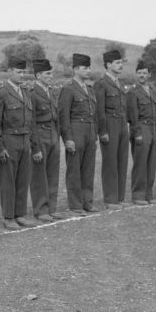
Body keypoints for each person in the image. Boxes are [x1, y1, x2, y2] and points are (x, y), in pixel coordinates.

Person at [0, 57, 41, 230]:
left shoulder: (25, 92)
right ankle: (8, 216)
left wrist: (34, 146)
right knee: (8, 180)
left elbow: (31, 122)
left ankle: (20, 214)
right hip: (9, 140)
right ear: (9, 71)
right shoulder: (1, 92)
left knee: (23, 179)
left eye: (24, 72)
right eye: (19, 72)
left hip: (25, 140)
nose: (22, 75)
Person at [58, 53, 99, 216]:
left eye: (89, 68)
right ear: (75, 69)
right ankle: (75, 204)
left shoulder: (90, 89)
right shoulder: (68, 88)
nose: (88, 71)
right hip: (75, 131)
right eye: (85, 68)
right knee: (74, 170)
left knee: (88, 169)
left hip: (89, 131)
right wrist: (67, 139)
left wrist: (94, 134)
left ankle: (87, 202)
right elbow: (64, 116)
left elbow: (93, 114)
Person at [94, 50, 130, 210]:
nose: (120, 65)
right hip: (109, 124)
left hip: (122, 124)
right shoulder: (101, 84)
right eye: (117, 62)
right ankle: (110, 198)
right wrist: (102, 131)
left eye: (121, 62)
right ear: (108, 65)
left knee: (122, 160)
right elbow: (99, 110)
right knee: (110, 162)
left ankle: (119, 197)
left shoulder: (120, 83)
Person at [29, 58, 62, 222]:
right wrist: (35, 147)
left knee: (53, 173)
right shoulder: (33, 93)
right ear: (39, 75)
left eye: (51, 73)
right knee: (39, 175)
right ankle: (41, 209)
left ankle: (51, 208)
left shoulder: (51, 92)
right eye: (48, 73)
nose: (51, 76)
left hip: (53, 134)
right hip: (40, 134)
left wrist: (58, 136)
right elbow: (31, 121)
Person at [127, 61, 156, 205]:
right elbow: (133, 116)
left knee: (151, 163)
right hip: (141, 128)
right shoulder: (132, 92)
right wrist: (137, 133)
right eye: (139, 73)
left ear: (149, 74)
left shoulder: (153, 91)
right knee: (140, 164)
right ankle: (138, 195)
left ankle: (148, 195)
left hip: (153, 129)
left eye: (144, 73)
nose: (142, 75)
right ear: (136, 74)